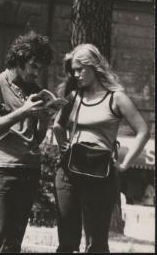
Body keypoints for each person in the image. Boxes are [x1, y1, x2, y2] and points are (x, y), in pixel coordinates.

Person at [53, 43, 150, 253]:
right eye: (73, 71)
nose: (76, 75)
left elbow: (143, 130)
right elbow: (58, 125)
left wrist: (125, 164)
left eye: (81, 69)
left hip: (101, 174)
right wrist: (64, 145)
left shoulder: (116, 98)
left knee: (96, 244)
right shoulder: (73, 97)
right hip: (69, 172)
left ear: (94, 66)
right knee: (67, 242)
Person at [0, 31, 63, 253]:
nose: (37, 73)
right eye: (33, 66)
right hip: (1, 167)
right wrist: (23, 111)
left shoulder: (34, 92)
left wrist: (44, 121)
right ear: (18, 59)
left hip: (29, 168)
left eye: (40, 69)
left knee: (14, 240)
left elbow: (34, 140)